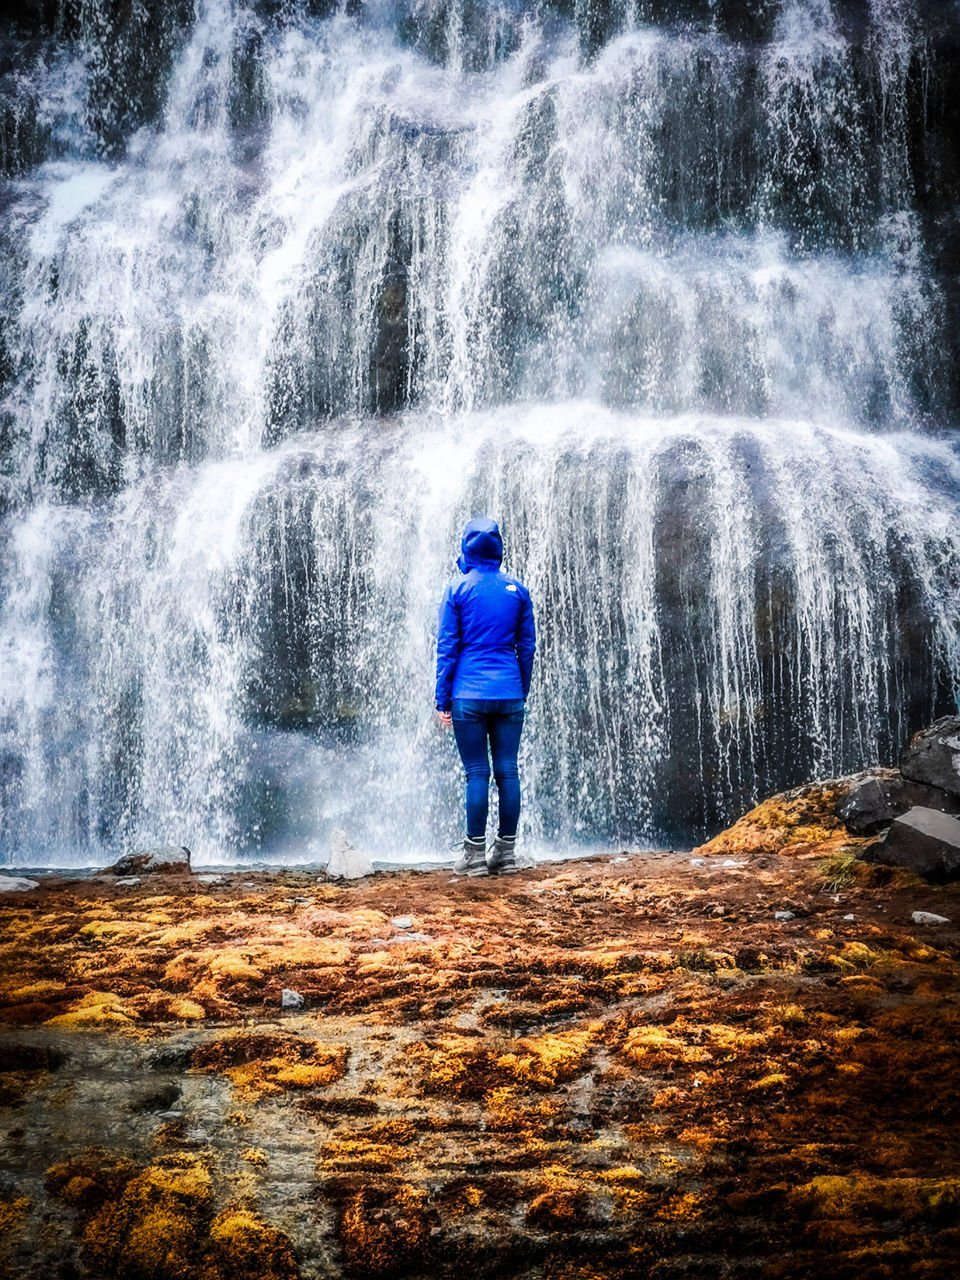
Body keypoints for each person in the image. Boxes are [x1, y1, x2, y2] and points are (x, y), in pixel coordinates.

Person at [435, 517, 536, 876]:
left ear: (467, 548)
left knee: (476, 772)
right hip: (509, 692)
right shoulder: (518, 589)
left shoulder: (458, 589)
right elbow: (527, 647)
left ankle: (474, 856)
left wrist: (442, 700)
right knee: (508, 771)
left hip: (468, 694)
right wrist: (519, 688)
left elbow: (447, 648)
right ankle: (506, 855)